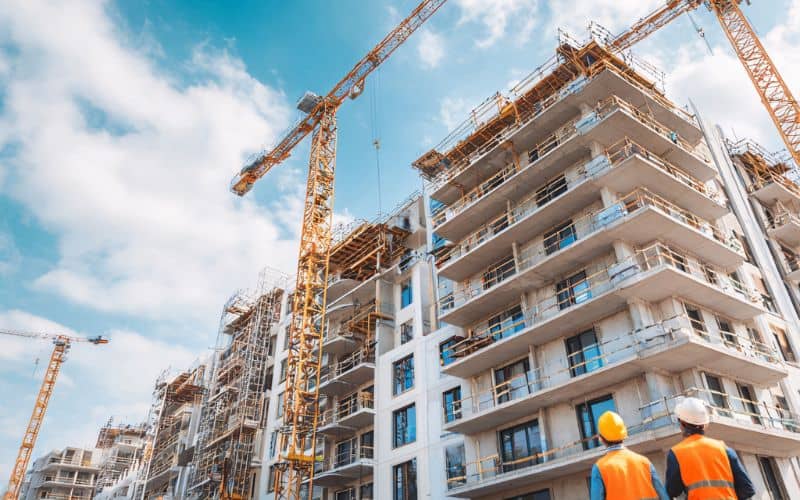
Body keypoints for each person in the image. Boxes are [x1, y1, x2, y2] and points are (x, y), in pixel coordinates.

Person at [665, 396, 755, 499]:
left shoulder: (676, 453)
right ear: (704, 424)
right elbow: (747, 489)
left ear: (682, 423)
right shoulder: (724, 449)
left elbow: (672, 491)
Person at [590, 411, 669, 500]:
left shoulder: (599, 468)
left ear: (601, 438)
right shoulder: (644, 462)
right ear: (624, 434)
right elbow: (663, 495)